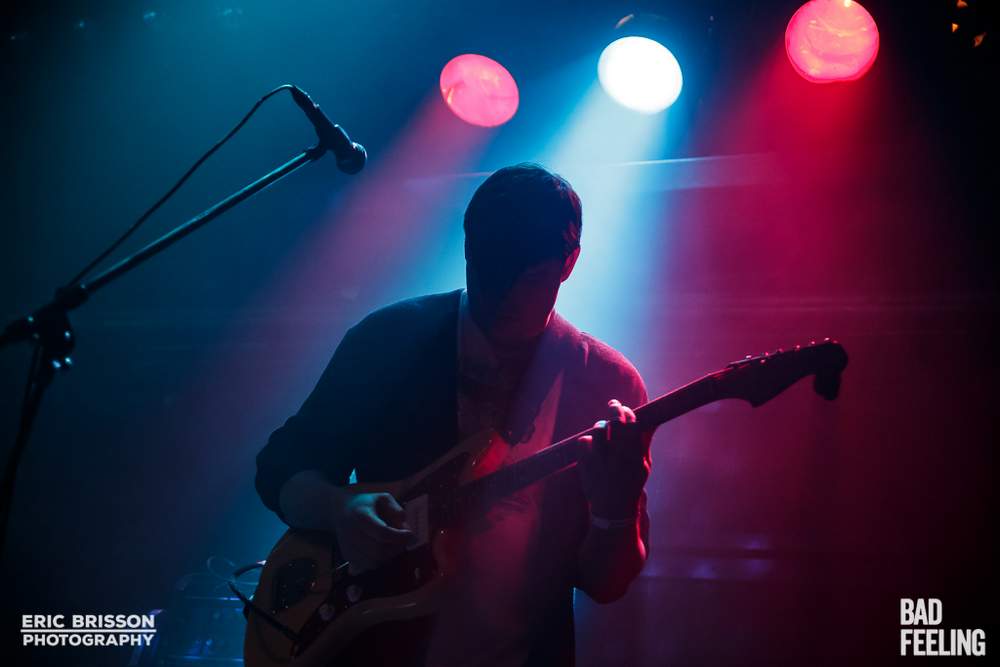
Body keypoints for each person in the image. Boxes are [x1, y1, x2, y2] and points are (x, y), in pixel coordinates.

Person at [254, 163, 652, 666]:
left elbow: (606, 584)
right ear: (466, 248)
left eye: (523, 276)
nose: (500, 294)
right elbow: (280, 468)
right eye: (489, 269)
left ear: (569, 262)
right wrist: (339, 508)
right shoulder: (390, 340)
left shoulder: (607, 384)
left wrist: (617, 511)